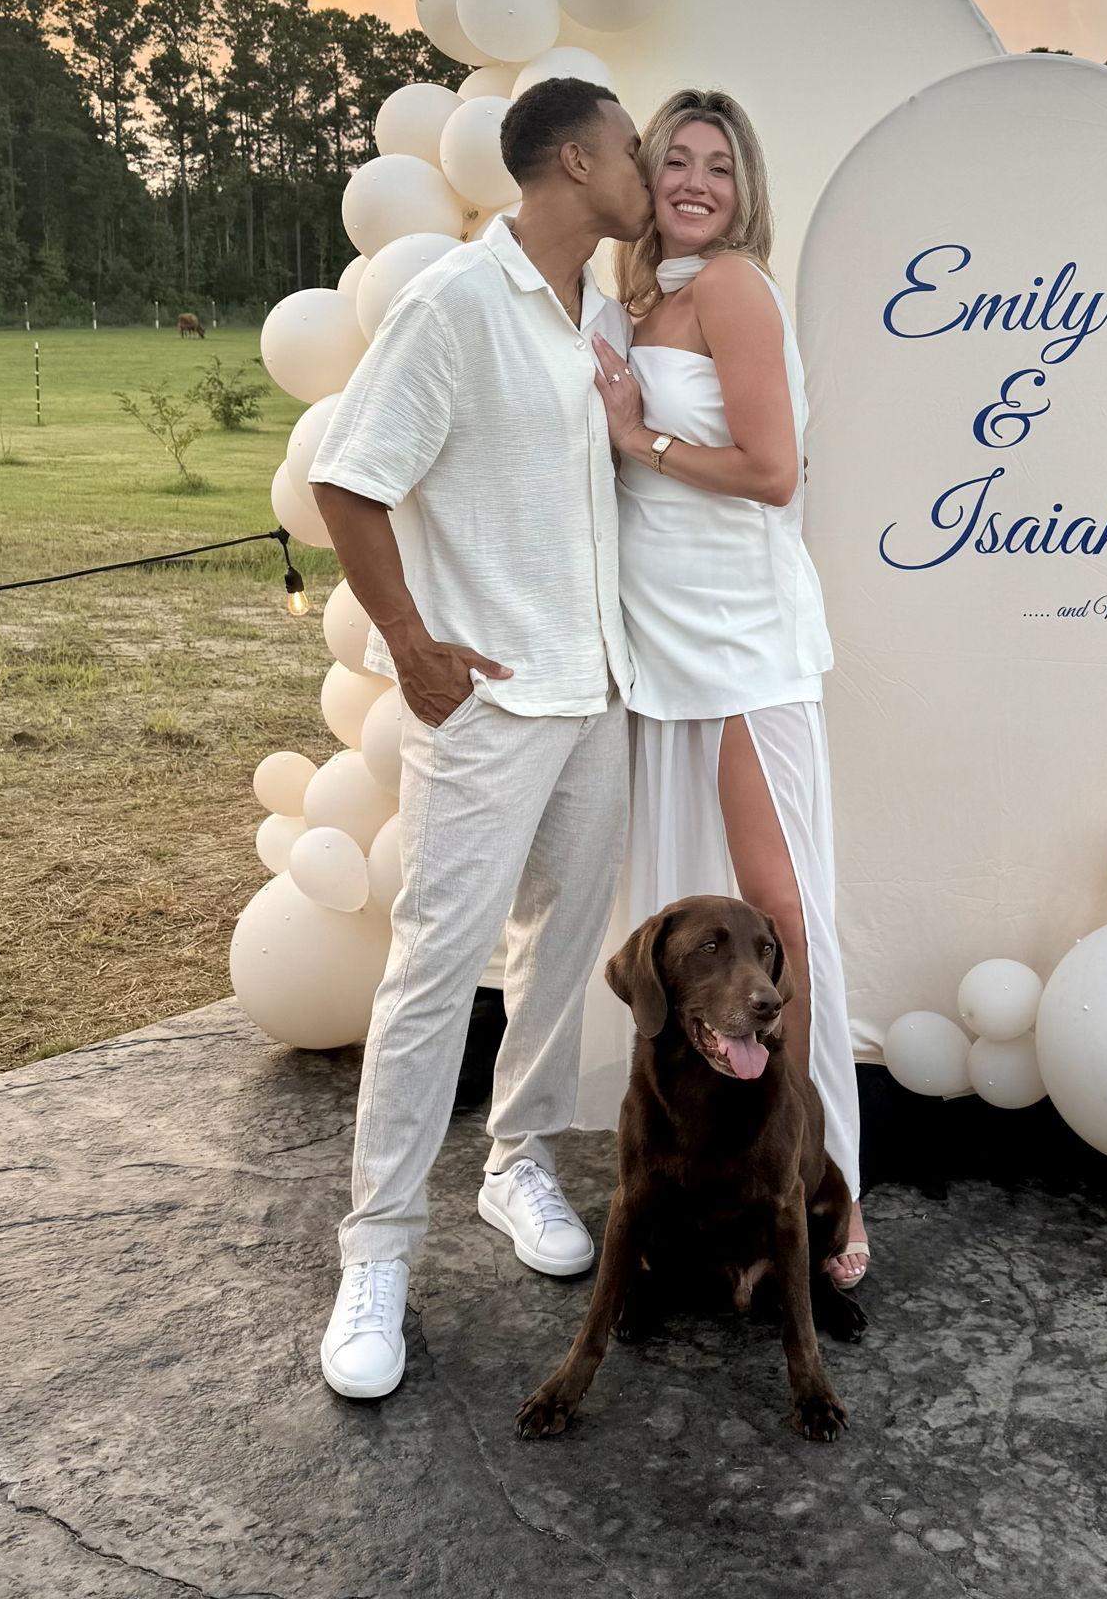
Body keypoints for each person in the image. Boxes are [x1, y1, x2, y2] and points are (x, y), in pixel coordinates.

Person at [307, 76, 651, 1400]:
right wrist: (409, 642)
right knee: (435, 966)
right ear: (573, 160)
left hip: (596, 692)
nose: (644, 168)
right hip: (490, 701)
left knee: (559, 948)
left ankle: (517, 1163)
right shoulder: (454, 302)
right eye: (630, 148)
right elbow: (348, 480)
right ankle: (378, 1250)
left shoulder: (598, 312)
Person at [586, 88, 869, 1288]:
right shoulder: (634, 299)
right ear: (645, 174)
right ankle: (701, 1177)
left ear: (743, 187)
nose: (695, 181)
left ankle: (816, 1185)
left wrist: (637, 438)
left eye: (719, 164)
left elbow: (771, 468)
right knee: (685, 913)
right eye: (676, 160)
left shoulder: (733, 287)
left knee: (776, 911)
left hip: (742, 638)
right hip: (662, 644)